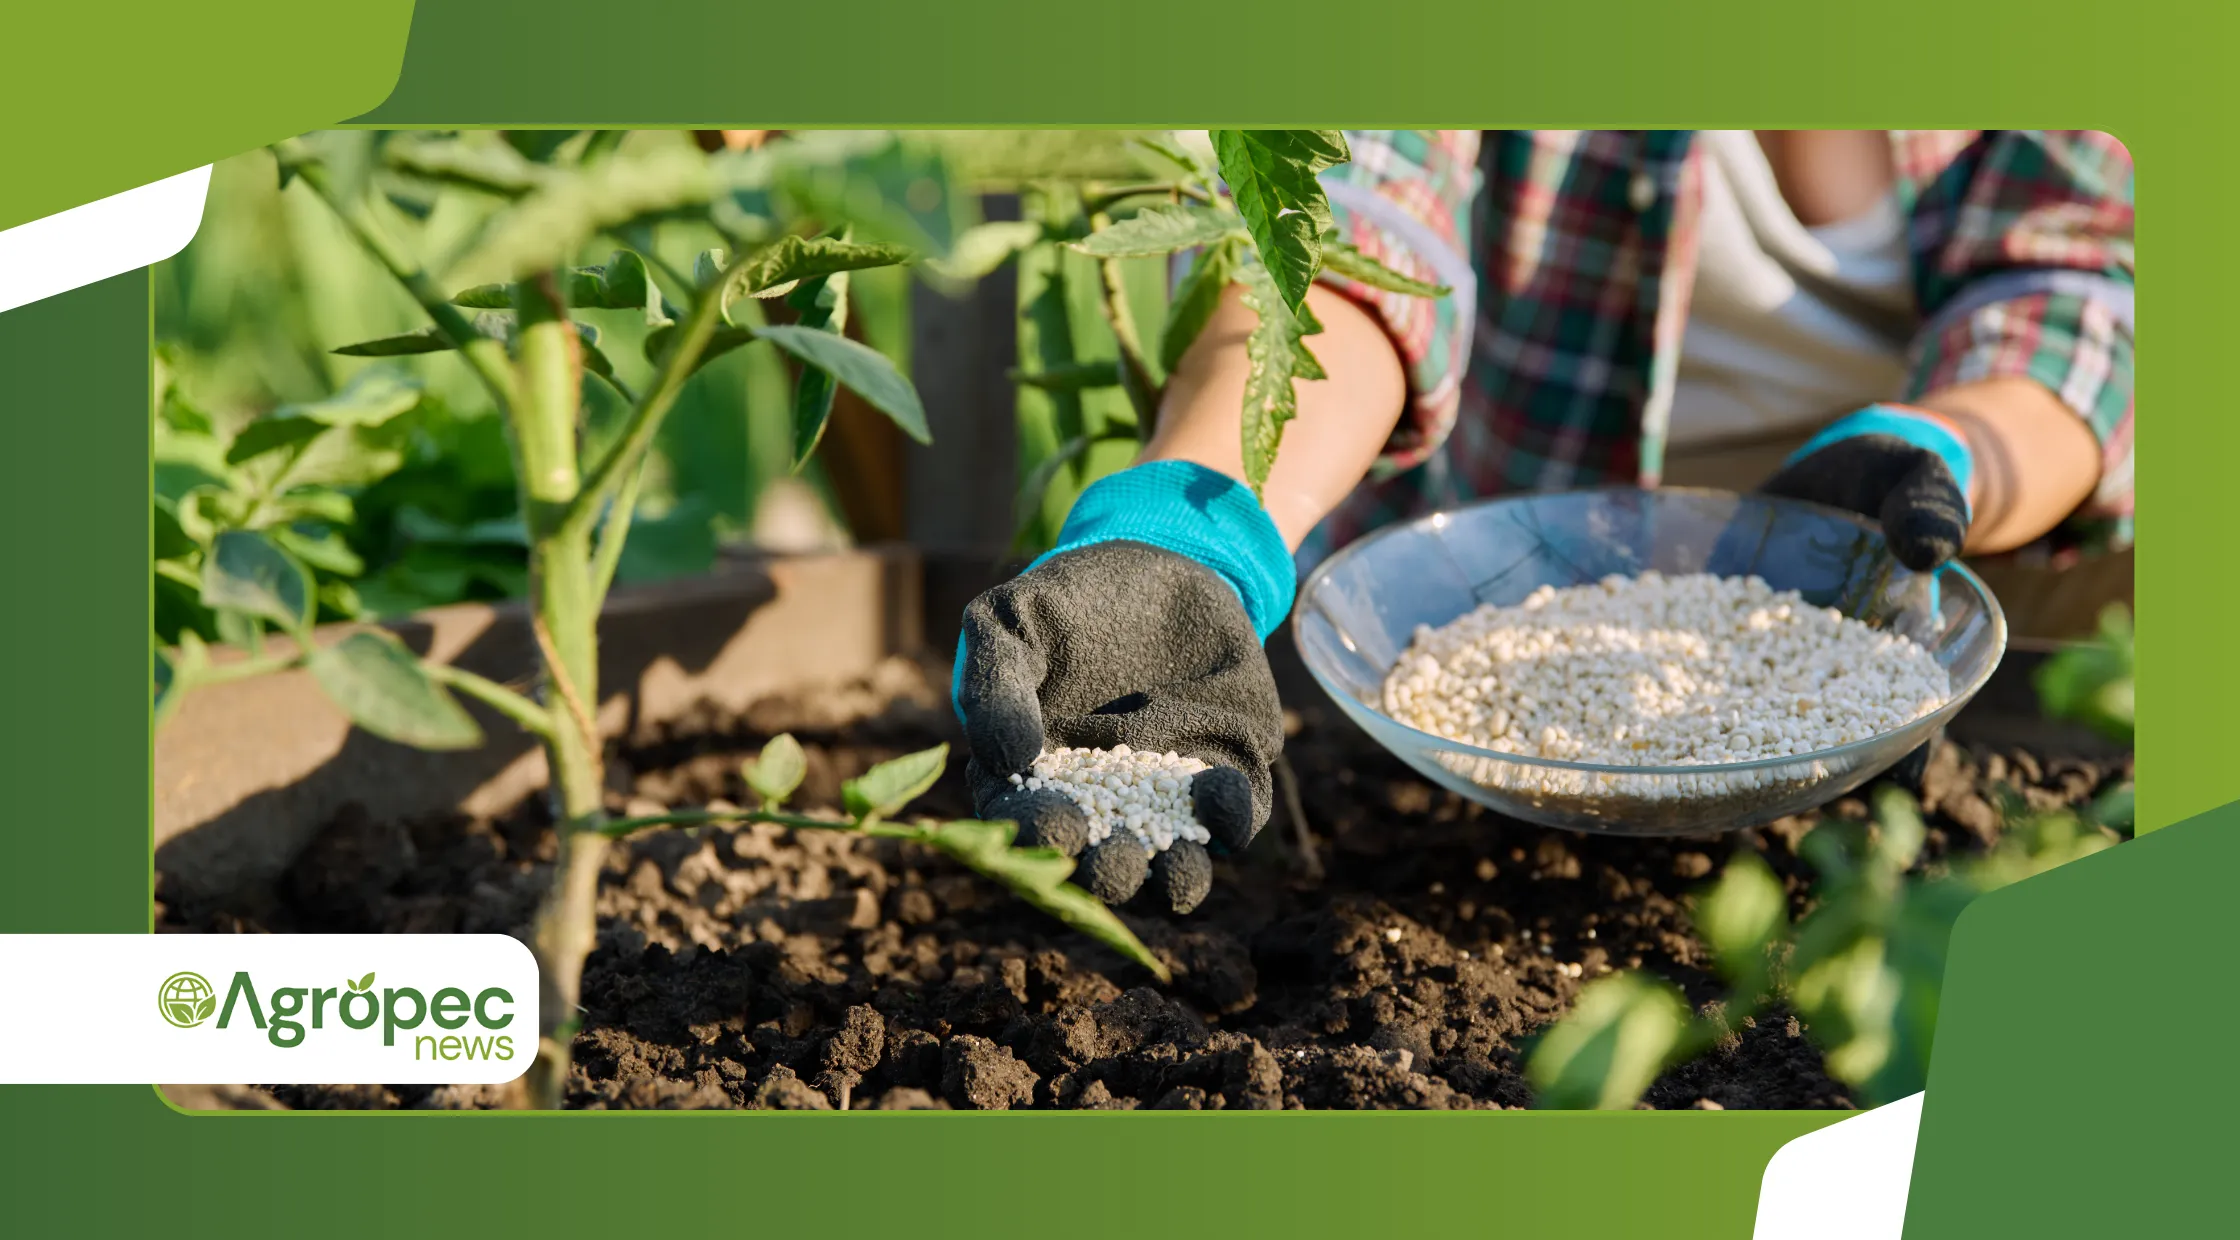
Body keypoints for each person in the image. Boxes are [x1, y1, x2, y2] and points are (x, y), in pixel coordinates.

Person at [955, 130, 2135, 914]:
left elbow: (2078, 291)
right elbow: (1348, 225)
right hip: (1466, 616)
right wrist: (1195, 521)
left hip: (1871, 601)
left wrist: (1952, 450)